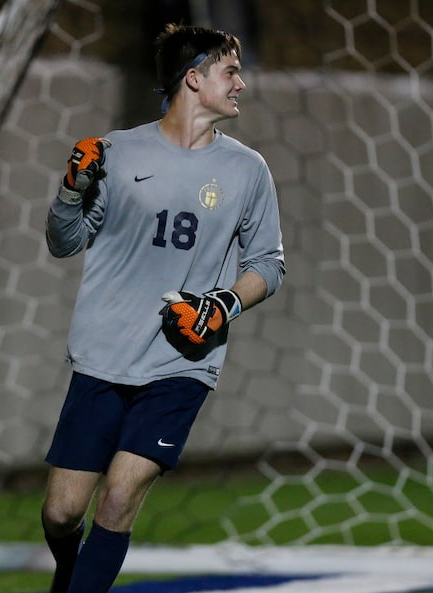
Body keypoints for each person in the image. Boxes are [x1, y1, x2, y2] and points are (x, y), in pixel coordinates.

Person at [40, 23, 285, 593]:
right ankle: (70, 579)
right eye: (231, 71)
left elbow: (269, 264)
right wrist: (71, 188)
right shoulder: (118, 152)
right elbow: (64, 240)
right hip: (102, 355)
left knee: (120, 495)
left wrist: (221, 305)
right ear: (194, 79)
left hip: (182, 361)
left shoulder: (249, 170)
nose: (241, 84)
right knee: (61, 512)